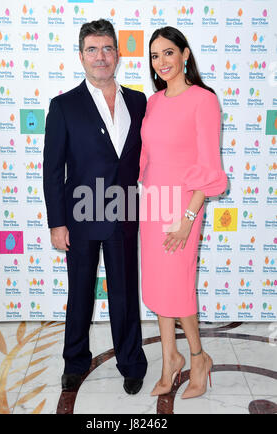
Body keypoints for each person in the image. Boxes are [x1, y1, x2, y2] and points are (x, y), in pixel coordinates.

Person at [43, 19, 147, 395]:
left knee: (124, 291)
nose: (100, 57)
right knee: (81, 292)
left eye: (107, 48)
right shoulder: (64, 106)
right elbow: (52, 170)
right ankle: (75, 361)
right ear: (81, 55)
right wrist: (57, 223)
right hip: (81, 215)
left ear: (117, 54)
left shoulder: (138, 100)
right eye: (92, 49)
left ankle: (132, 362)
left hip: (124, 212)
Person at [139, 26, 227, 399]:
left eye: (169, 53)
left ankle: (197, 356)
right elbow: (147, 159)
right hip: (152, 205)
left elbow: (209, 166)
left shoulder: (203, 100)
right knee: (161, 288)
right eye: (155, 56)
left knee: (179, 287)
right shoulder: (154, 101)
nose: (162, 62)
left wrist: (188, 219)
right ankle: (170, 356)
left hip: (183, 206)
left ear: (185, 54)